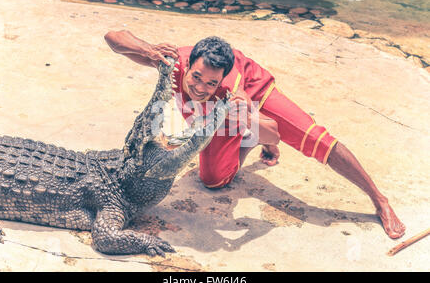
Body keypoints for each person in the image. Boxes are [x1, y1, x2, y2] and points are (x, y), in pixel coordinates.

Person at [104, 30, 406, 239]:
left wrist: (249, 114)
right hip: (225, 110)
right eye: (196, 77)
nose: (198, 87)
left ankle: (379, 200)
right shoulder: (175, 62)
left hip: (250, 95)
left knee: (314, 139)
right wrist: (147, 49)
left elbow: (273, 133)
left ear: (220, 81)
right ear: (189, 64)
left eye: (210, 83)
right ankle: (247, 141)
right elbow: (113, 37)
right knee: (211, 180)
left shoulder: (226, 93)